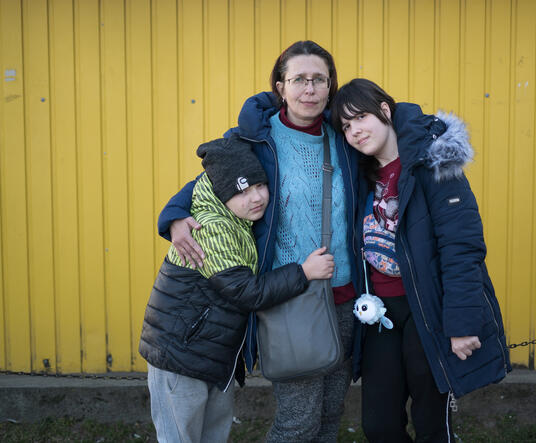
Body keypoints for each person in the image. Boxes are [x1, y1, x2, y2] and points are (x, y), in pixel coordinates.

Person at [156, 41, 360, 442]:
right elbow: (207, 179)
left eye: (319, 79)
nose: (309, 89)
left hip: (347, 296)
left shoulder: (348, 136)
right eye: (299, 79)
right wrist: (175, 216)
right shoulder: (256, 139)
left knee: (331, 415)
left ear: (331, 86)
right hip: (288, 298)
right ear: (280, 86)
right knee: (297, 422)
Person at [331, 78, 511, 443]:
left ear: (385, 111)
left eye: (360, 118)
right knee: (379, 425)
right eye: (346, 126)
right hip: (380, 314)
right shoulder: (358, 175)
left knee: (431, 423)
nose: (354, 132)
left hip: (428, 310)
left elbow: (462, 247)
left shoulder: (433, 163)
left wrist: (461, 323)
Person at [139, 135, 336, 443]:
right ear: (221, 194)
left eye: (259, 186)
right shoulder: (210, 228)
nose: (255, 198)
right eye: (242, 191)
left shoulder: (237, 220)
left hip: (210, 355)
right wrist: (304, 272)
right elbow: (246, 291)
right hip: (181, 356)